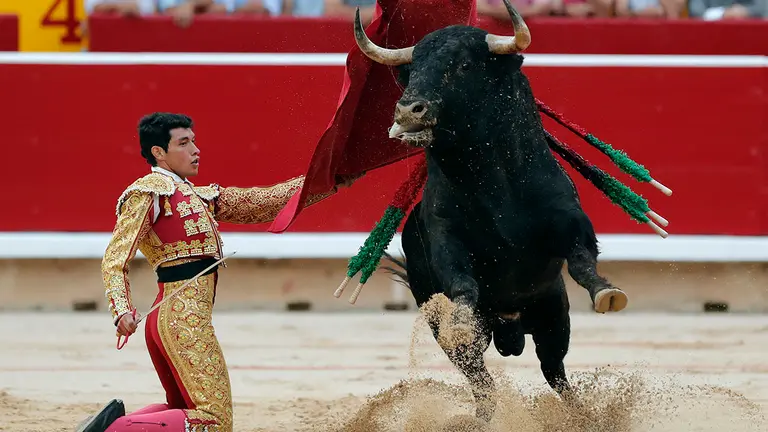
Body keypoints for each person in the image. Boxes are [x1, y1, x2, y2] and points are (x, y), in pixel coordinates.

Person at [76, 112, 357, 432]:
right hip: (181, 318)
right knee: (213, 420)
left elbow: (261, 202)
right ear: (159, 152)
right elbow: (116, 257)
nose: (196, 150)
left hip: (176, 316)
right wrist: (121, 309)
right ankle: (113, 429)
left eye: (194, 141)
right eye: (183, 143)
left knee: (186, 409)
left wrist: (331, 178)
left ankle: (118, 423)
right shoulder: (149, 191)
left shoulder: (197, 195)